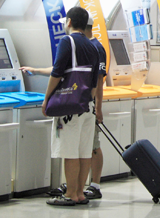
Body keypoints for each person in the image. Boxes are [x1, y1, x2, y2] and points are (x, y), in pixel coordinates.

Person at [31, 14, 109, 201]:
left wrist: (46, 98)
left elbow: (57, 72)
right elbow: (95, 80)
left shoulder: (67, 41)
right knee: (84, 152)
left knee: (70, 152)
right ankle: (80, 193)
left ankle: (70, 194)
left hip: (69, 107)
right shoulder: (94, 46)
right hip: (86, 107)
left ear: (70, 22)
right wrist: (93, 105)